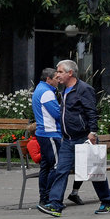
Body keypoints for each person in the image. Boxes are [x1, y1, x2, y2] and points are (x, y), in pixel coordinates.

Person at [37, 59, 110, 217]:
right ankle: (56, 205)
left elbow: (92, 112)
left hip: (83, 137)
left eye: (60, 72)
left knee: (94, 172)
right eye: (57, 72)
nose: (57, 75)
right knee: (61, 170)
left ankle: (107, 201)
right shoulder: (64, 91)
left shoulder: (84, 89)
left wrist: (93, 132)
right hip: (68, 139)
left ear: (70, 73)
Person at [30, 67, 62, 208]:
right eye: (56, 78)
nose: (59, 80)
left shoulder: (39, 89)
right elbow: (57, 114)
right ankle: (49, 197)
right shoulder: (47, 93)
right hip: (51, 133)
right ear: (48, 79)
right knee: (56, 166)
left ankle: (43, 197)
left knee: (46, 166)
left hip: (42, 133)